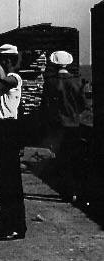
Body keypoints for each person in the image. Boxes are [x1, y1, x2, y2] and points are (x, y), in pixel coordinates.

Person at [0, 39, 26, 240]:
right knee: (4, 180)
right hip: (1, 130)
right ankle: (6, 224)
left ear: (7, 60)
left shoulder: (14, 78)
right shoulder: (7, 77)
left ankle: (14, 225)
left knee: (9, 180)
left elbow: (3, 79)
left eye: (2, 60)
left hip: (8, 130)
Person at [41, 50, 87, 202]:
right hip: (74, 125)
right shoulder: (77, 81)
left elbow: (45, 106)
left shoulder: (50, 82)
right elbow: (83, 105)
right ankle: (76, 191)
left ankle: (66, 191)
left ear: (53, 64)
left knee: (61, 159)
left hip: (57, 126)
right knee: (75, 158)